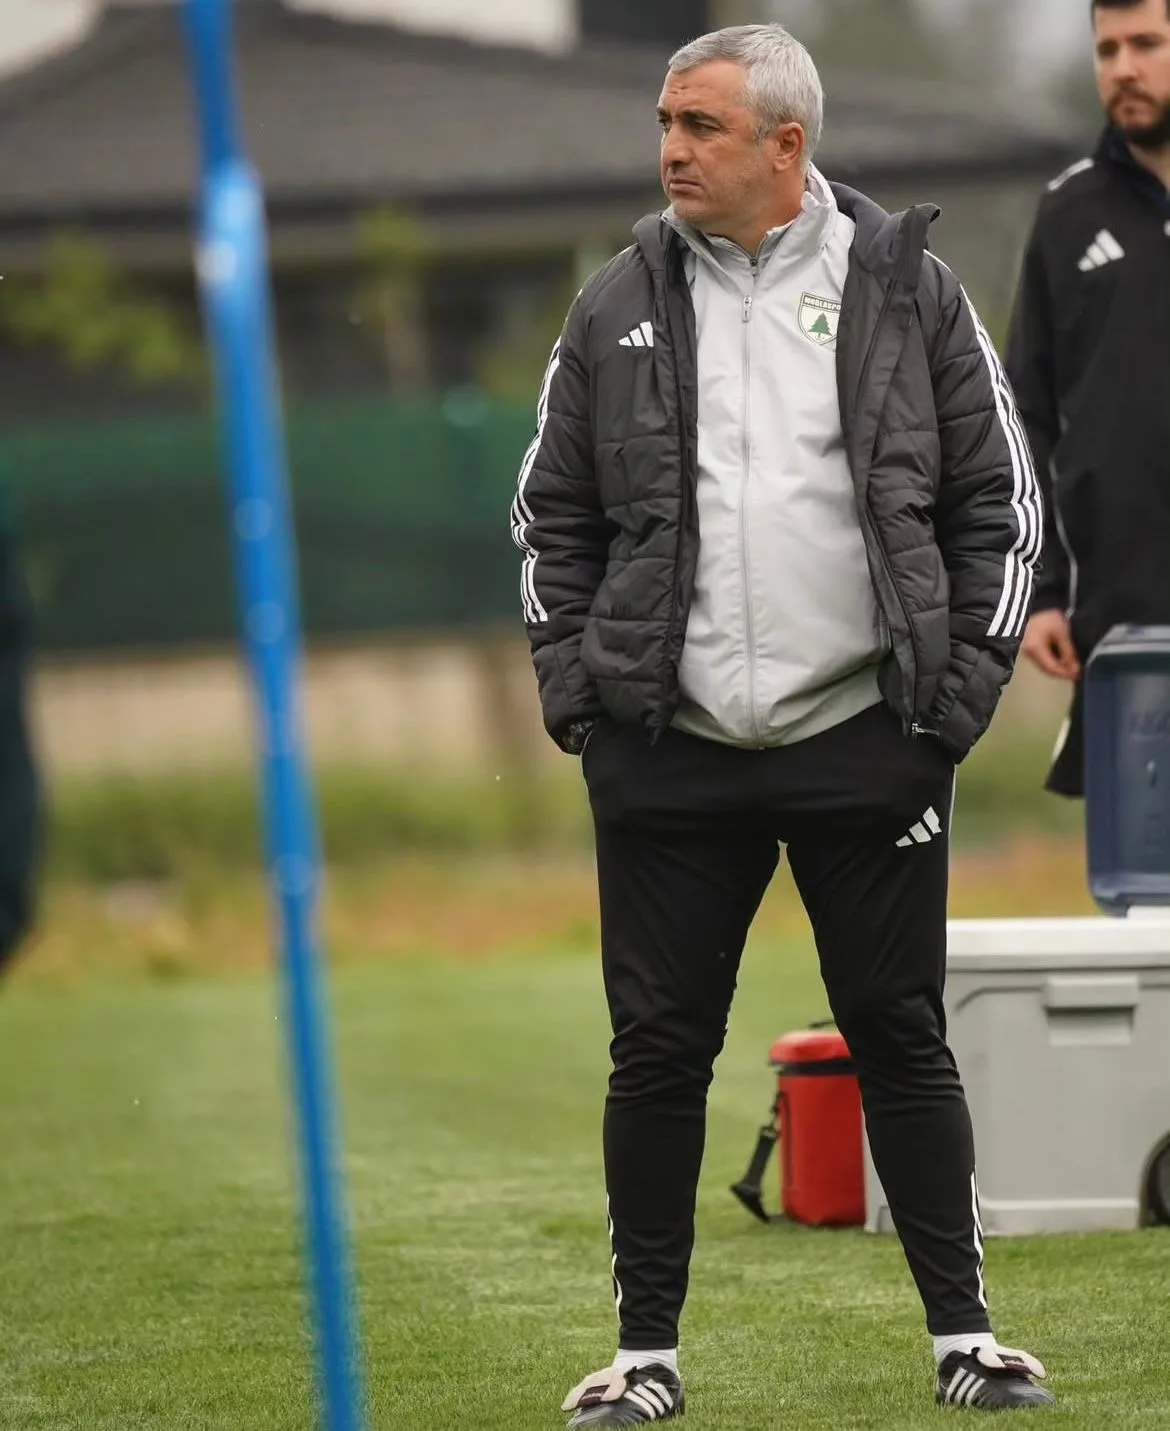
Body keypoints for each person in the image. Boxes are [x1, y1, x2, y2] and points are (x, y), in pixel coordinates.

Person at [511, 23, 1051, 1425]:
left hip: (866, 734)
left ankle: (967, 1339)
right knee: (656, 1052)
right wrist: (584, 700)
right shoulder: (615, 302)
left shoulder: (909, 289)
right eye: (663, 122)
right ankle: (643, 1359)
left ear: (785, 144)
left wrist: (949, 706)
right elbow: (549, 514)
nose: (669, 149)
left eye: (698, 125)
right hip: (667, 746)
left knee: (899, 1033)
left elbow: (998, 498)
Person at [1008, 0, 1170, 797]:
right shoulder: (1068, 213)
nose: (1124, 69)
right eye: (1108, 50)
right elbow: (1024, 417)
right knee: (1141, 864)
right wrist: (1041, 592)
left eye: (1147, 44)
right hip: (1119, 627)